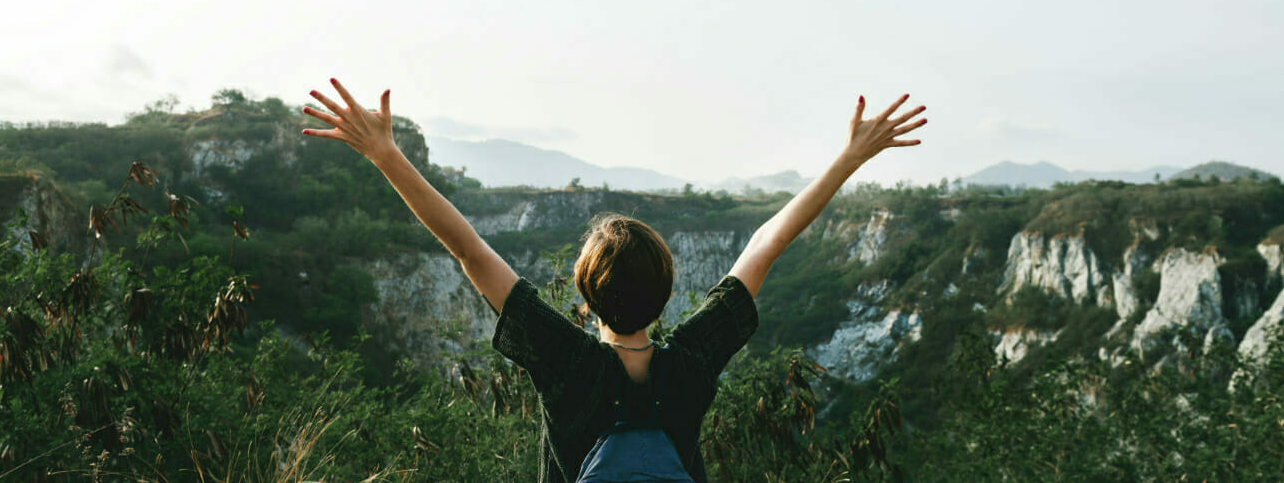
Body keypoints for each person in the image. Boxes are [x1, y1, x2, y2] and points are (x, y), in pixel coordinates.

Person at [300, 79, 927, 482]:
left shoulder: (566, 361)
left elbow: (466, 247)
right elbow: (768, 242)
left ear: (584, 293)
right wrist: (848, 158)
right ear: (667, 294)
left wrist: (386, 154)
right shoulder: (691, 361)